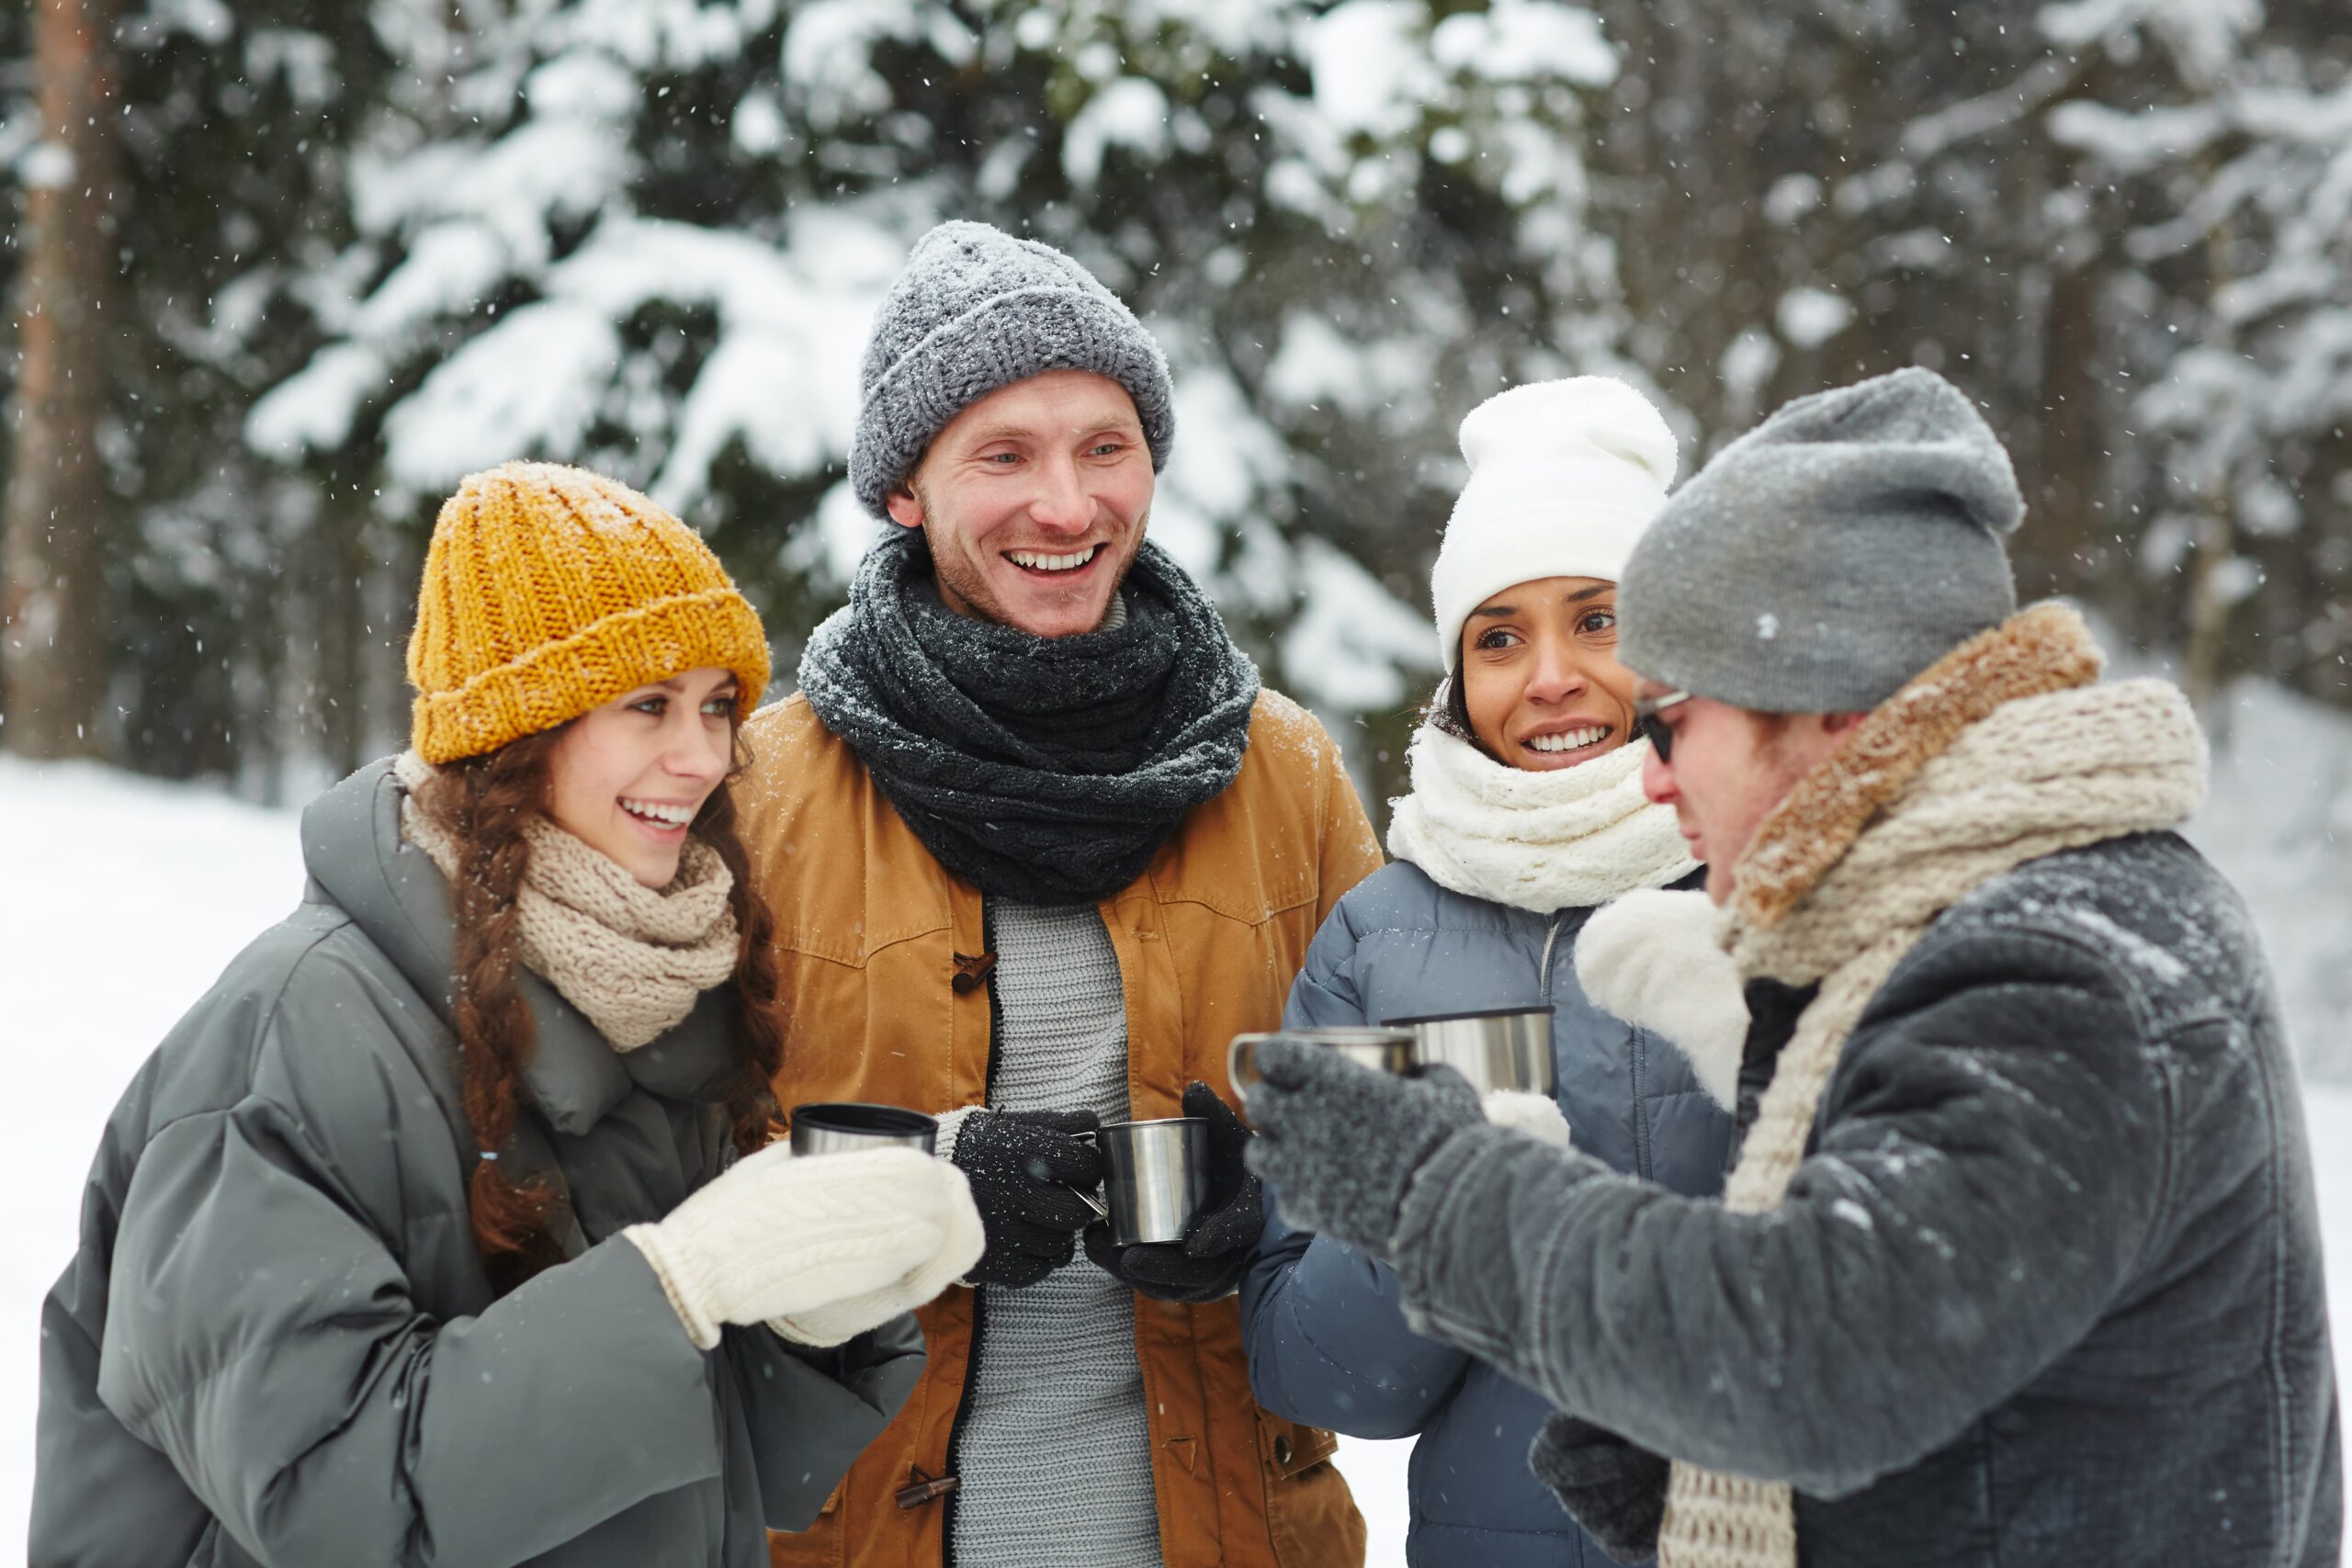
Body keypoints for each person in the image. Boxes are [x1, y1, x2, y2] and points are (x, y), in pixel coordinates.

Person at [1241, 368, 2342, 1567]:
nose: (1650, 775)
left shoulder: (2053, 962)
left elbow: (1822, 1349)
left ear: (1821, 694)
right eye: (1500, 634)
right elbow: (1958, 1371)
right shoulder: (1993, 904)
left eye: (1675, 720)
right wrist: (1682, 1475)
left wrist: (1435, 1190)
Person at [33, 462, 984, 1568]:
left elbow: (697, 1472)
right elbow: (335, 1503)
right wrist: (671, 1290)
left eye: (719, 704)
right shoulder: (291, 1037)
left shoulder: (651, 990)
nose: (706, 755)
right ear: (516, 733)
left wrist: (809, 1323)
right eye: (648, 706)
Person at [734, 220, 1379, 1568]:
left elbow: (1402, 1141)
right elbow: (661, 1187)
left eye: (1104, 445)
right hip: (856, 1529)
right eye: (1004, 454)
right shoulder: (762, 792)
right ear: (906, 488)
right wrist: (925, 1180)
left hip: (1234, 1528)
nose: (1069, 507)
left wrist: (1273, 1203)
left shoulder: (1282, 774)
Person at [1240, 377, 1736, 1566]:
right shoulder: (1378, 935)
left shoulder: (1778, 886)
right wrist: (1440, 1204)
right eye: (1499, 636)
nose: (1550, 674)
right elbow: (1318, 1373)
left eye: (1599, 619)